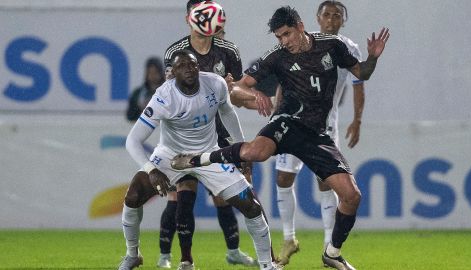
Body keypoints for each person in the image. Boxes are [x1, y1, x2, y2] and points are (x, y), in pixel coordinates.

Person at [171, 6, 389, 270]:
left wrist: (373, 57)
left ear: (299, 26)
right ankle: (197, 159)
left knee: (352, 196)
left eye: (286, 34)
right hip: (287, 123)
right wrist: (256, 95)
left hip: (318, 134)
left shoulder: (332, 46)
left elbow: (362, 73)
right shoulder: (277, 56)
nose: (283, 42)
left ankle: (332, 252)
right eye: (278, 37)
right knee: (255, 153)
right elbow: (238, 84)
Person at [118, 50, 279, 270]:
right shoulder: (164, 96)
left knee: (251, 205)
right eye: (182, 66)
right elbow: (133, 141)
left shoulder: (215, 83)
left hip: (208, 156)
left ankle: (267, 265)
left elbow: (228, 113)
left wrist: (241, 149)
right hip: (170, 155)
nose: (189, 69)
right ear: (173, 73)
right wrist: (151, 170)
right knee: (134, 195)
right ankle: (132, 254)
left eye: (193, 64)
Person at [157, 1, 257, 268]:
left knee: (228, 197)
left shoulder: (228, 51)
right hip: (187, 136)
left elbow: (233, 95)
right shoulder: (175, 53)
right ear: (189, 18)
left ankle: (238, 251)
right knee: (183, 195)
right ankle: (182, 258)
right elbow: (171, 96)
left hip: (220, 135)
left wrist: (247, 95)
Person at [274, 1, 365, 266]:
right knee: (282, 178)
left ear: (343, 21)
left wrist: (357, 120)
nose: (332, 19)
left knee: (327, 181)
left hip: (326, 124)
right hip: (292, 120)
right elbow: (285, 79)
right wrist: (277, 111)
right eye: (327, 14)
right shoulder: (304, 42)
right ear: (318, 18)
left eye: (337, 15)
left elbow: (359, 85)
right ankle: (289, 237)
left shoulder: (349, 48)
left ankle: (328, 244)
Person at [126, 57, 165, 122]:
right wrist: (140, 109)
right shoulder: (138, 94)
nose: (153, 76)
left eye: (155, 73)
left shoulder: (168, 92)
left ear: (161, 73)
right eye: (150, 73)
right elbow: (130, 116)